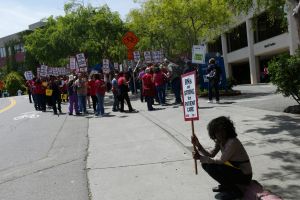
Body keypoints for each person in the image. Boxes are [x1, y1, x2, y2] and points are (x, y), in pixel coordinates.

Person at [191, 116, 252, 200]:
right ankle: (226, 186)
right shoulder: (221, 141)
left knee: (212, 167)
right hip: (234, 169)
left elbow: (220, 161)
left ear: (227, 130)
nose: (220, 134)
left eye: (222, 131)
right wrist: (198, 145)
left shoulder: (232, 142)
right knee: (205, 164)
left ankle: (236, 191)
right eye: (217, 132)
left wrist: (200, 157)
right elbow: (211, 155)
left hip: (244, 175)